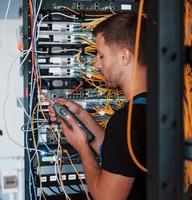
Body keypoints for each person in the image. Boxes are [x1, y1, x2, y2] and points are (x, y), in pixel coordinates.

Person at [48, 13, 147, 200]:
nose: (96, 64)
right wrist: (82, 117)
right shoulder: (155, 109)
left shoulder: (126, 120)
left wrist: (82, 147)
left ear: (124, 56)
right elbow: (121, 155)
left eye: (101, 55)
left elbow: (106, 197)